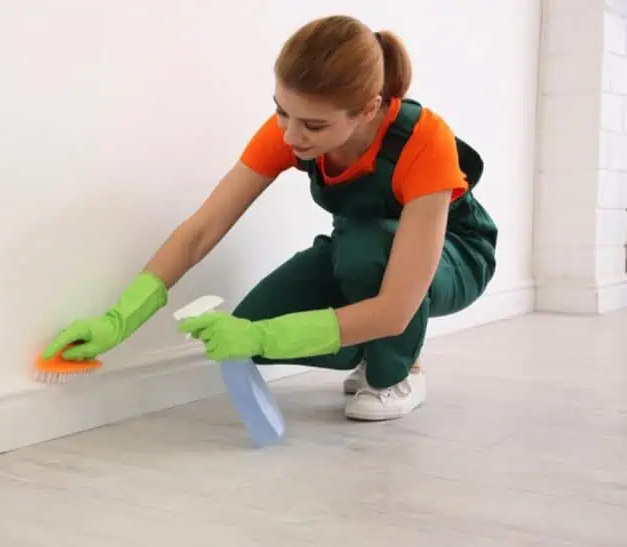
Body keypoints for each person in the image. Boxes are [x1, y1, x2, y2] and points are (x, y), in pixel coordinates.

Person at [41, 14, 497, 422]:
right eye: (282, 111)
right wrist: (117, 320)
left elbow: (397, 306)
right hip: (360, 247)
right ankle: (373, 348)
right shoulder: (293, 126)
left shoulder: (425, 141)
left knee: (362, 257)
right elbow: (200, 232)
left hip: (454, 257)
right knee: (255, 319)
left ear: (369, 110)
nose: (291, 134)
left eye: (313, 126)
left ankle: (395, 373)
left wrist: (265, 337)